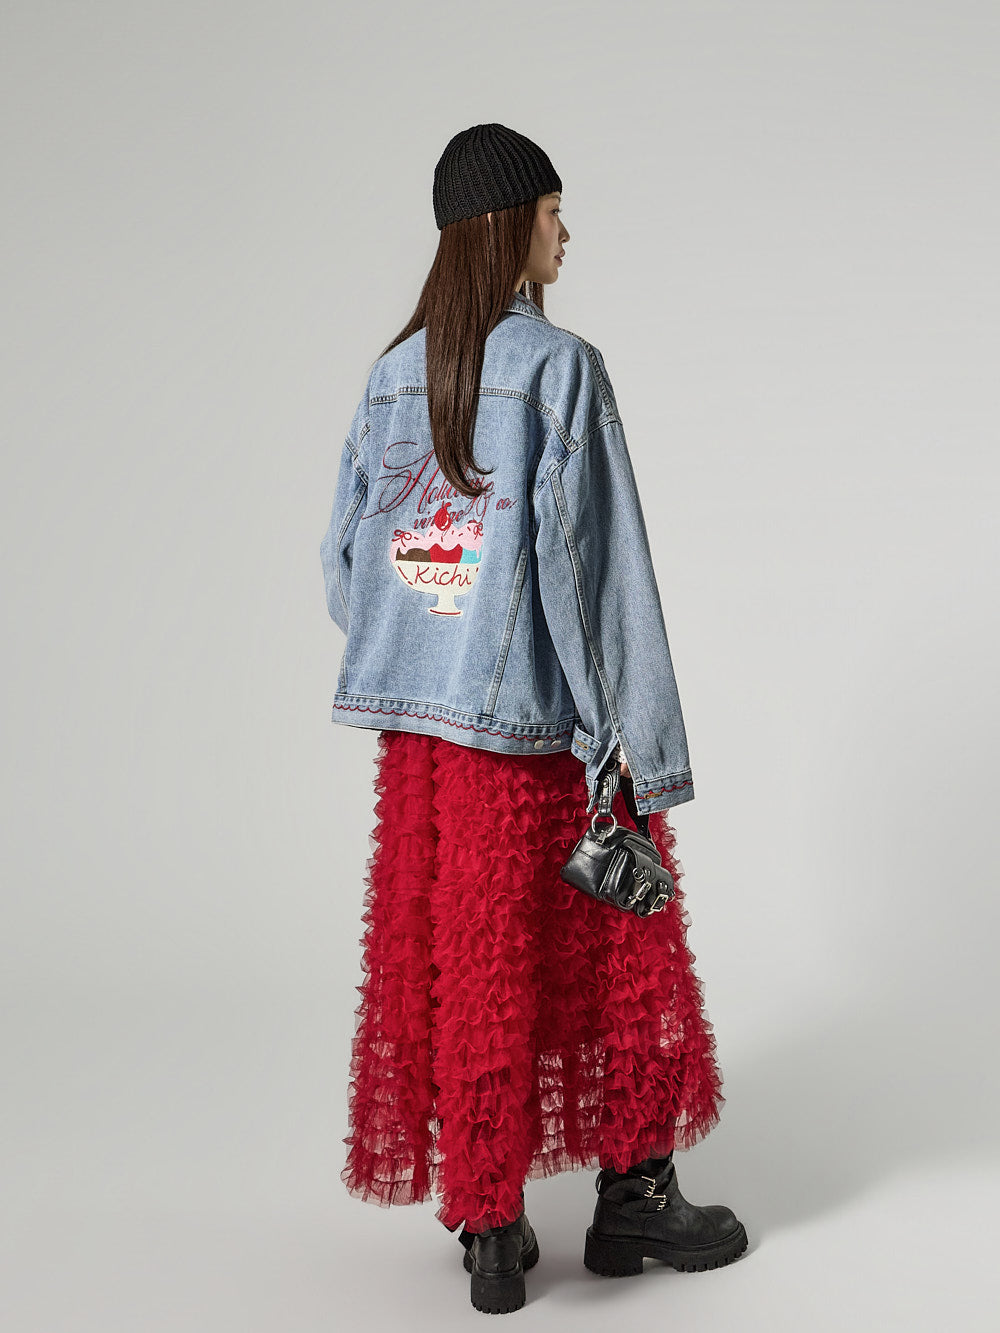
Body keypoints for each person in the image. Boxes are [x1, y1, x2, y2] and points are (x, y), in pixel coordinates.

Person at [319, 122, 748, 1315]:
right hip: (538, 735)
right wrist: (633, 750)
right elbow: (596, 577)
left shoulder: (389, 377)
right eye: (555, 210)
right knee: (617, 945)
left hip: (425, 751)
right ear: (509, 225)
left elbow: (349, 570)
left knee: (472, 961)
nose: (568, 232)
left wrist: (427, 652)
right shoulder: (560, 368)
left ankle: (492, 1228)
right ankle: (635, 1195)